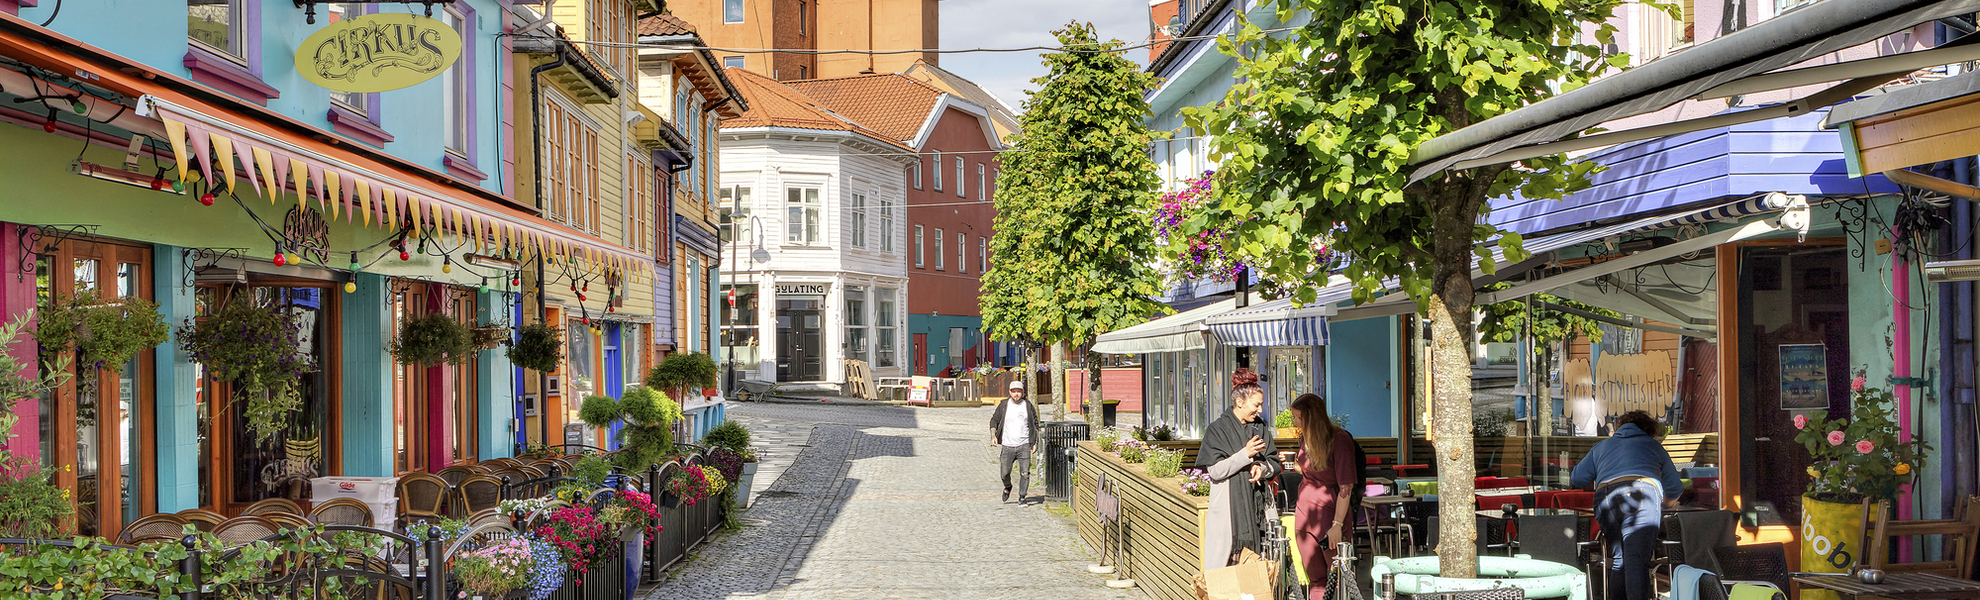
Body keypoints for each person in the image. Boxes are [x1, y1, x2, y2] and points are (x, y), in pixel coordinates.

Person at [1570, 410, 1683, 600]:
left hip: (1605, 499)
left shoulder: (1601, 446)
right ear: (1649, 430)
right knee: (1636, 561)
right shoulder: (1653, 446)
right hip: (1640, 495)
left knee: (1620, 561)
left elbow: (1577, 478)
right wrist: (1667, 502)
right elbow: (1675, 487)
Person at [1194, 368, 1282, 570]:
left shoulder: (1260, 427)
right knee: (1226, 568)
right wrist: (1246, 454)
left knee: (1261, 566)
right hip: (1229, 512)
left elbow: (1274, 463)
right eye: (1256, 404)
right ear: (1240, 402)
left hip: (1259, 510)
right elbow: (1215, 471)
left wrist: (1261, 467)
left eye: (1261, 404)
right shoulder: (1218, 429)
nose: (1260, 410)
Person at [1286, 392, 1359, 599]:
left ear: (1311, 417)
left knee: (1340, 577)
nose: (1295, 422)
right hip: (1304, 513)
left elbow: (1346, 486)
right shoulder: (1306, 439)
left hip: (1329, 515)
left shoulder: (1339, 440)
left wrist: (1337, 525)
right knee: (1315, 577)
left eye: (1298, 417)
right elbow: (1312, 471)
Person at [990, 379, 1039, 504]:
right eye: (1014, 391)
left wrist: (1034, 442)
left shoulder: (1028, 406)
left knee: (1025, 473)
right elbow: (994, 421)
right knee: (1004, 473)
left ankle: (1022, 497)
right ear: (1010, 392)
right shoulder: (1004, 405)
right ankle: (1008, 487)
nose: (1016, 394)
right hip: (1007, 445)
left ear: (1023, 392)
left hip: (1023, 445)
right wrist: (993, 436)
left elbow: (1035, 424)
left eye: (1019, 391)